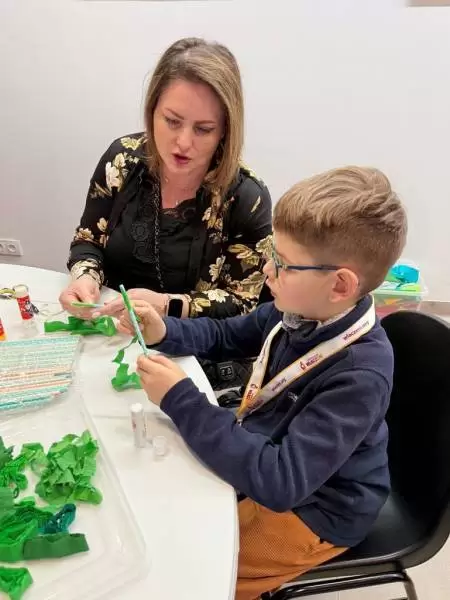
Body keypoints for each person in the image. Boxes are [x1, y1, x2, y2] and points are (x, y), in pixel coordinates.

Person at [118, 166, 407, 600]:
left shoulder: (360, 374)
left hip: (320, 509)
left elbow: (280, 482)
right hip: (270, 456)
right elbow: (226, 335)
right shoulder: (298, 308)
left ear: (340, 285)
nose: (268, 269)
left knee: (194, 574)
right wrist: (164, 330)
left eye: (284, 264)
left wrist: (181, 399)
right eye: (274, 253)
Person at [59, 37, 272, 327]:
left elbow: (242, 303)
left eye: (203, 129)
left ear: (225, 130)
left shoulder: (247, 196)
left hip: (187, 341)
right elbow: (89, 240)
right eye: (172, 121)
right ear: (152, 111)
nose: (183, 142)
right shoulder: (122, 160)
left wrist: (166, 305)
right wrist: (85, 277)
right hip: (111, 327)